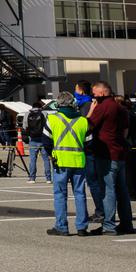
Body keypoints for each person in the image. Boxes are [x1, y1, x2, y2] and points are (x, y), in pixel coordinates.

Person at [85, 80, 134, 235]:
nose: (93, 96)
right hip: (120, 152)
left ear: (102, 92)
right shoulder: (121, 108)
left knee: (107, 190)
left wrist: (91, 111)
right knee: (122, 190)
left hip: (106, 153)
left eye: (94, 93)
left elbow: (88, 126)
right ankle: (127, 223)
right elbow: (125, 131)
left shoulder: (103, 107)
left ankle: (109, 225)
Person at [43, 91, 90, 237]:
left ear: (58, 104)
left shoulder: (52, 119)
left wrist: (52, 155)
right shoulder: (83, 121)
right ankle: (82, 227)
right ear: (73, 103)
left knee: (60, 195)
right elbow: (89, 142)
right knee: (80, 194)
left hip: (60, 162)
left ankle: (61, 226)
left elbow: (46, 142)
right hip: (78, 161)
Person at [119, 95, 136, 201]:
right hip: (135, 143)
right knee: (134, 169)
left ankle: (131, 193)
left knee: (128, 170)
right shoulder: (133, 114)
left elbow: (126, 130)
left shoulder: (125, 114)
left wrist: (122, 141)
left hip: (129, 144)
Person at [24, 100, 52, 184]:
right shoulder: (44, 113)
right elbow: (48, 125)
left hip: (33, 140)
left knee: (32, 159)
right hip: (43, 139)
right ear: (40, 107)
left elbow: (25, 126)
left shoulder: (27, 114)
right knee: (46, 159)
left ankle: (32, 178)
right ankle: (48, 178)